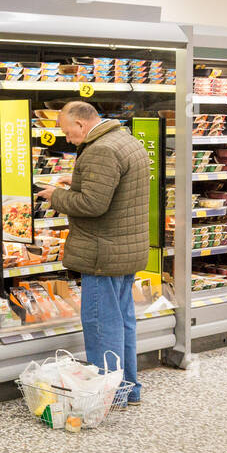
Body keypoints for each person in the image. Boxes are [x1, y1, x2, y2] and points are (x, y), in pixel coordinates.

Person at [36, 100, 150, 404]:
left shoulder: (100, 149)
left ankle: (108, 396)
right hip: (125, 249)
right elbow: (117, 186)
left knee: (102, 324)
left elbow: (93, 205)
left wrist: (56, 195)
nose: (67, 139)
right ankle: (127, 388)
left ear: (82, 124)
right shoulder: (124, 140)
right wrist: (79, 180)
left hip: (103, 252)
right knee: (123, 322)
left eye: (68, 132)